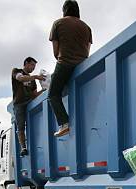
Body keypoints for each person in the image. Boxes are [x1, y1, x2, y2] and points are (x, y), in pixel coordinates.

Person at [48, 0, 92, 137]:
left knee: (53, 94)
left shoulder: (58, 23)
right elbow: (87, 50)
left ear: (64, 10)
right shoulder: (87, 27)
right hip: (83, 65)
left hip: (65, 63)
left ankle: (64, 123)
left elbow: (56, 52)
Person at [11, 57, 44, 157]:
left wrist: (43, 90)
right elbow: (20, 78)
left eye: (35, 66)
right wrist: (35, 77)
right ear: (26, 63)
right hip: (19, 103)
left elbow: (34, 95)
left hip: (30, 103)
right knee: (20, 126)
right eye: (32, 65)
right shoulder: (16, 71)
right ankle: (23, 147)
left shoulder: (33, 81)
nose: (33, 68)